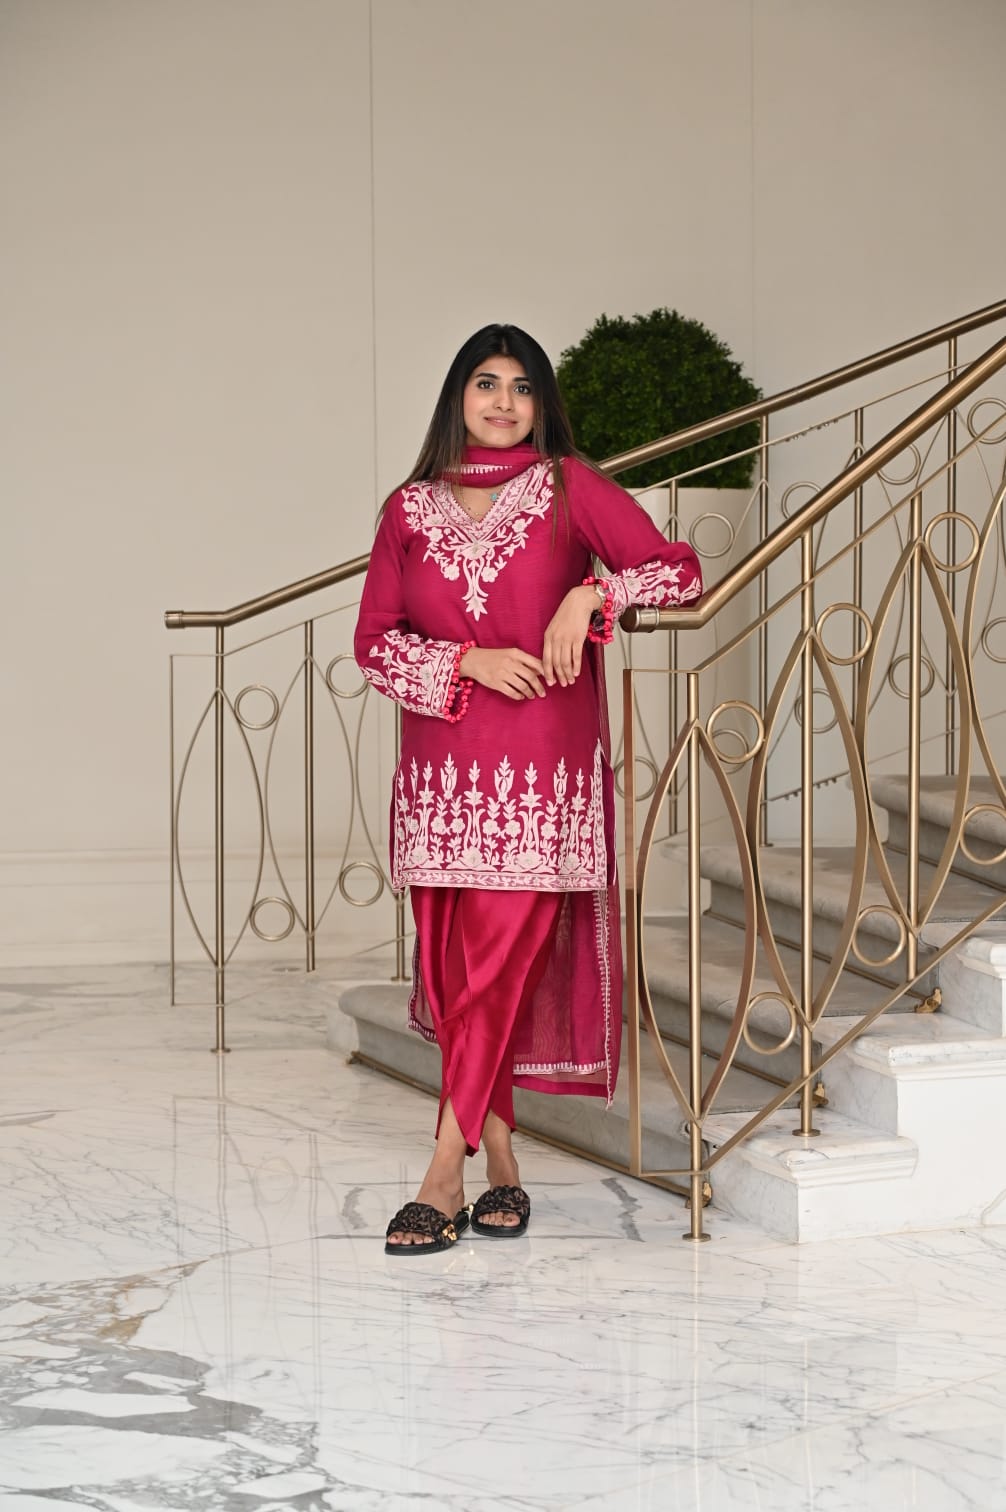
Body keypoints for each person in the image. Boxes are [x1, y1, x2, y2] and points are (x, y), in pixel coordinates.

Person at [354, 324, 702, 1255]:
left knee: (497, 970)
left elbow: (675, 569)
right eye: (486, 383)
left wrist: (593, 596)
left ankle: (442, 1172)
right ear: (457, 398)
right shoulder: (408, 509)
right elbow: (375, 644)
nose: (503, 402)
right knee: (457, 979)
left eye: (521, 387)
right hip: (441, 780)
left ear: (542, 404)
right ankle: (502, 1158)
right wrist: (467, 659)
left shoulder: (568, 488)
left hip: (541, 777)